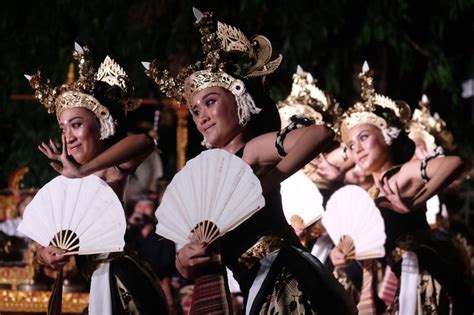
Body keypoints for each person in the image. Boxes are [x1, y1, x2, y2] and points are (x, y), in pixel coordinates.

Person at [145, 10, 357, 314]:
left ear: (239, 99)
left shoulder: (250, 151)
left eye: (210, 102)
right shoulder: (207, 174)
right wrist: (186, 261)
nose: (201, 116)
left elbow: (321, 134)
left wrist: (270, 179)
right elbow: (197, 246)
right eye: (194, 110)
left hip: (284, 276)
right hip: (252, 284)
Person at [26, 43, 169, 314]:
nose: (68, 135)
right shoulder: (66, 182)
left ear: (101, 126)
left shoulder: (108, 170)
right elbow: (45, 247)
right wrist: (48, 255)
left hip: (121, 277)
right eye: (63, 128)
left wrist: (83, 171)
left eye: (77, 125)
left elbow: (145, 142)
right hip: (97, 282)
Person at [330, 62, 473, 314]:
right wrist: (339, 256)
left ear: (386, 136)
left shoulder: (397, 175)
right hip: (395, 279)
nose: (357, 149)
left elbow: (455, 162)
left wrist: (420, 199)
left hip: (419, 278)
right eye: (351, 145)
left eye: (363, 137)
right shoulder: (371, 191)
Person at [127, 194, 177, 313]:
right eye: (139, 206)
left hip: (155, 287)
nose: (142, 209)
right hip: (130, 287)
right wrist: (128, 225)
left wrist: (168, 300)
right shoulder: (129, 235)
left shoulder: (164, 236)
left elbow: (165, 272)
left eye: (147, 206)